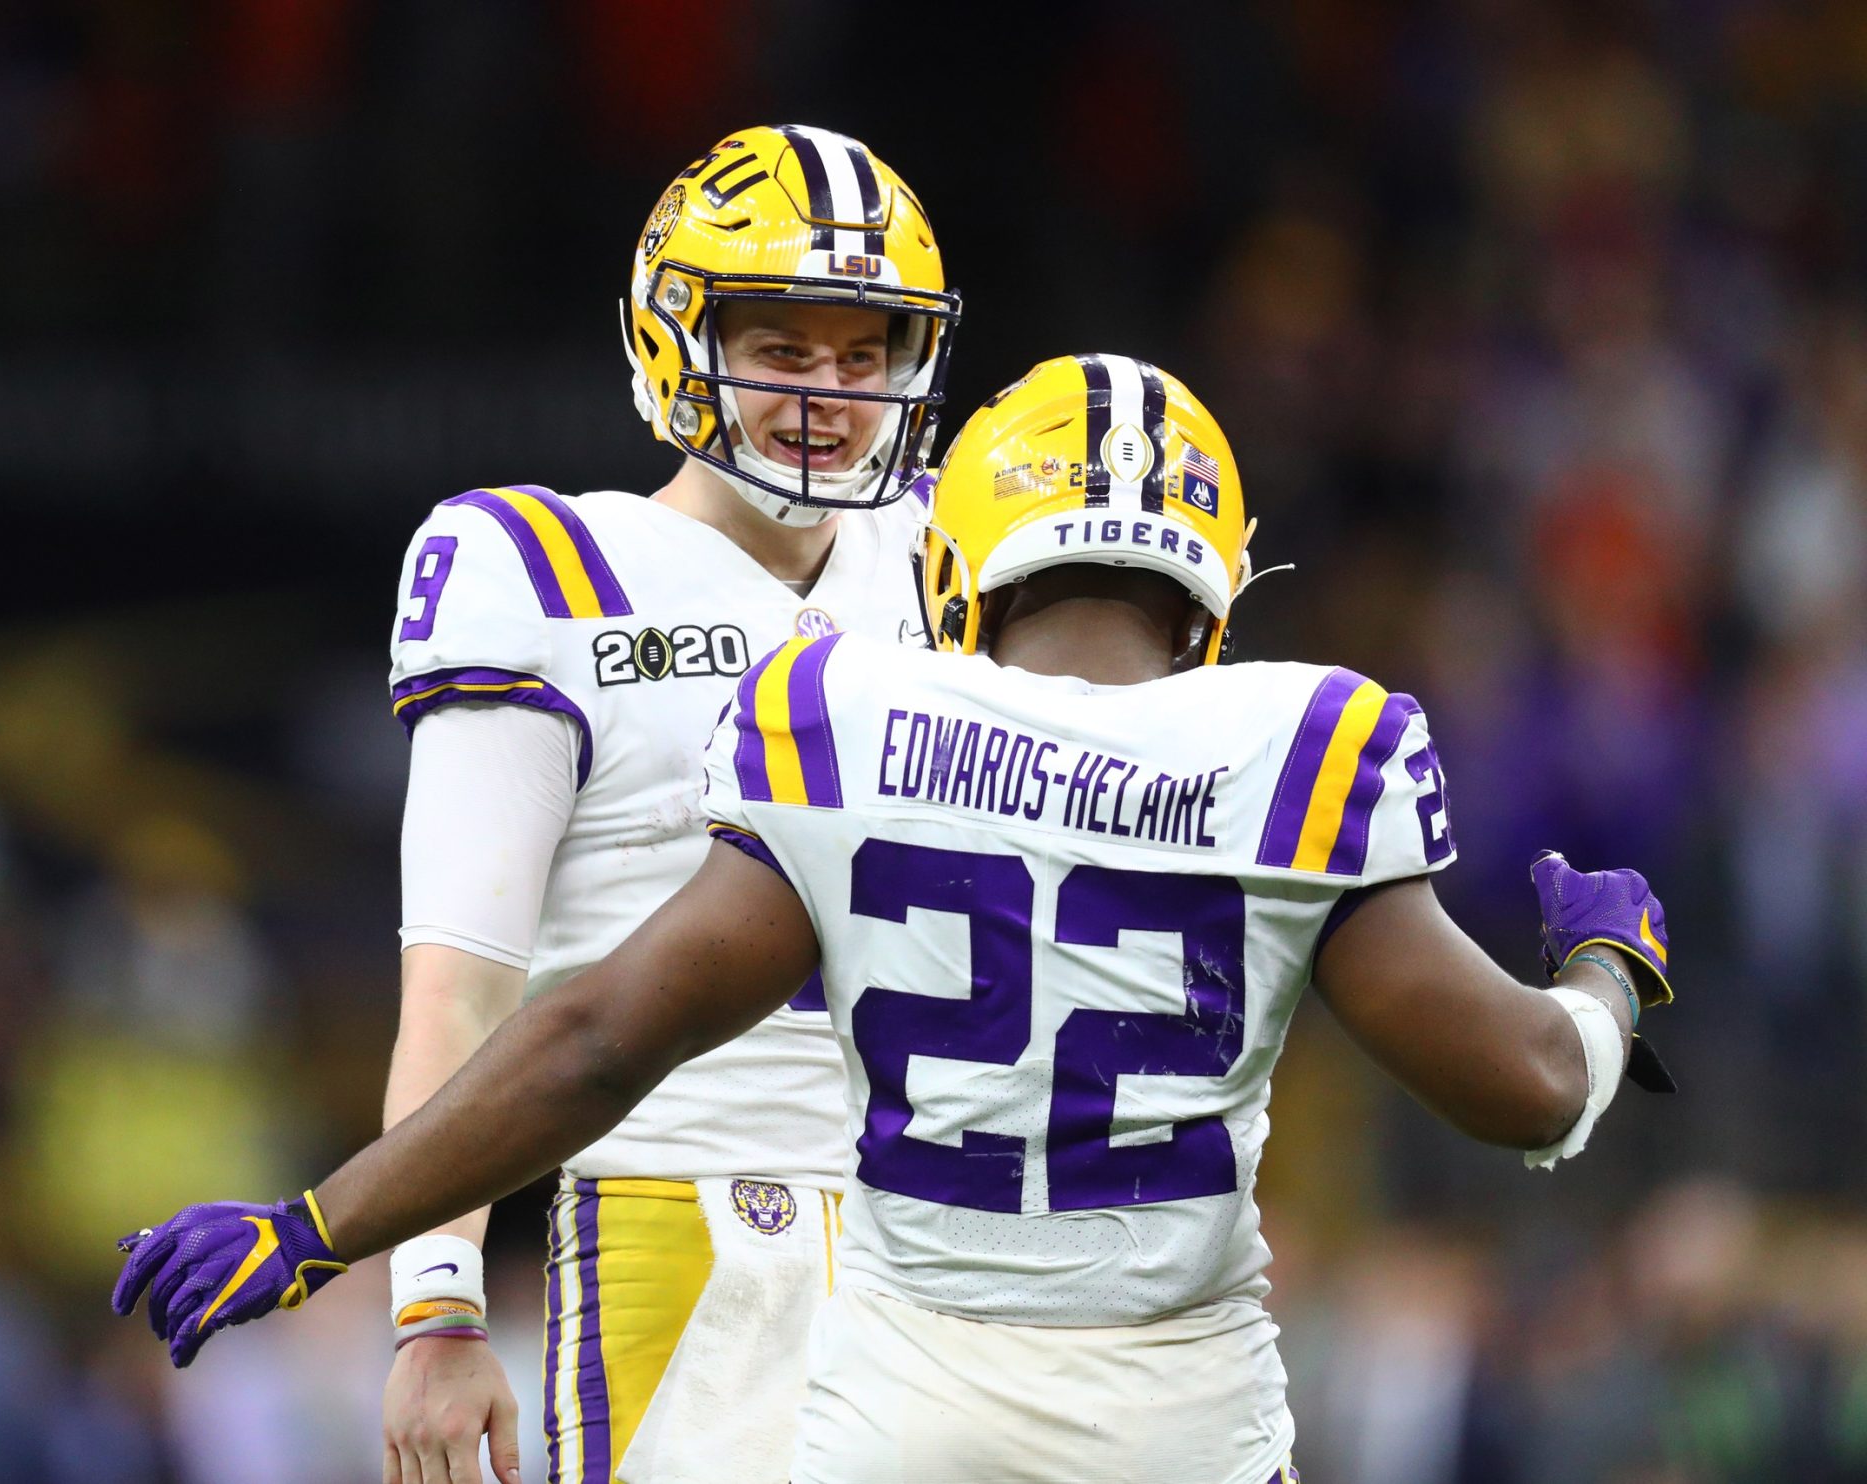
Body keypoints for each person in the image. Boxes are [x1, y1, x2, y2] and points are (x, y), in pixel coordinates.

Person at [115, 355, 1674, 1483]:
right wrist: (1610, 966)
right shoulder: (1302, 739)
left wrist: (319, 1229)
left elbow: (590, 1045)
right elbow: (1530, 1087)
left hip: (902, 1407)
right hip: (1178, 1417)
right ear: (1211, 592)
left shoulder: (851, 718)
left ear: (954, 559)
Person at [377, 125, 957, 1484]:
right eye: (784, 349)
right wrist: (437, 1301)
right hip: (690, 1221)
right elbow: (460, 989)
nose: (829, 392)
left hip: (960, 1236)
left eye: (864, 353)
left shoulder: (956, 563)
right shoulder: (545, 574)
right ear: (677, 338)